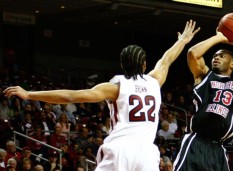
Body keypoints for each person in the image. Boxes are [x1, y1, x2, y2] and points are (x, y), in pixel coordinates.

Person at [3, 20, 200, 171]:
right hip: (147, 153)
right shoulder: (155, 81)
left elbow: (71, 96)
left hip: (120, 150)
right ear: (144, 65)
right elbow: (167, 59)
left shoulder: (115, 87)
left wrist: (29, 94)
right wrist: (182, 40)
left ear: (122, 65)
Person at [173, 18, 233, 171]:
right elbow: (193, 54)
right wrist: (219, 37)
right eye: (214, 56)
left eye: (221, 55)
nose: (216, 57)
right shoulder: (204, 75)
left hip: (218, 149)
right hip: (196, 141)